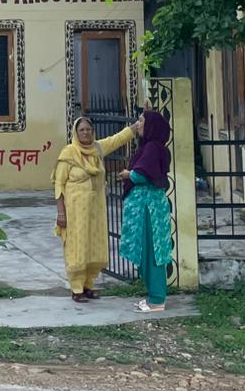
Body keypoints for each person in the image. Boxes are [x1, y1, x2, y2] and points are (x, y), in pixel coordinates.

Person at [52, 114, 142, 302]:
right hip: (75, 211)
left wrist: (136, 126)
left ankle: (89, 285)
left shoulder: (97, 149)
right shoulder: (69, 153)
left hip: (96, 209)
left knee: (94, 245)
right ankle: (76, 288)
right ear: (76, 133)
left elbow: (117, 139)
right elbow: (59, 184)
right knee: (78, 246)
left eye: (88, 129)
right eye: (81, 130)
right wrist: (61, 213)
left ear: (93, 132)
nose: (85, 133)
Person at [117, 109, 174, 313]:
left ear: (151, 126)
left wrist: (128, 174)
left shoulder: (152, 148)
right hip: (149, 208)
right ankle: (153, 296)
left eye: (141, 121)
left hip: (149, 209)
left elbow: (143, 175)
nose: (138, 124)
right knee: (148, 251)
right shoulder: (153, 147)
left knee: (152, 252)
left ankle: (157, 300)